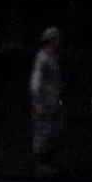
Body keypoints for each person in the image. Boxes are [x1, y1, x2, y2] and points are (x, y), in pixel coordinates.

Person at [29, 28, 65, 173]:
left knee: (54, 133)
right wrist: (38, 102)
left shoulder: (52, 57)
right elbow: (36, 83)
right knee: (43, 133)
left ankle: (50, 162)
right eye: (57, 39)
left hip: (53, 102)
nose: (59, 42)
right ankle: (42, 164)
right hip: (44, 104)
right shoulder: (42, 58)